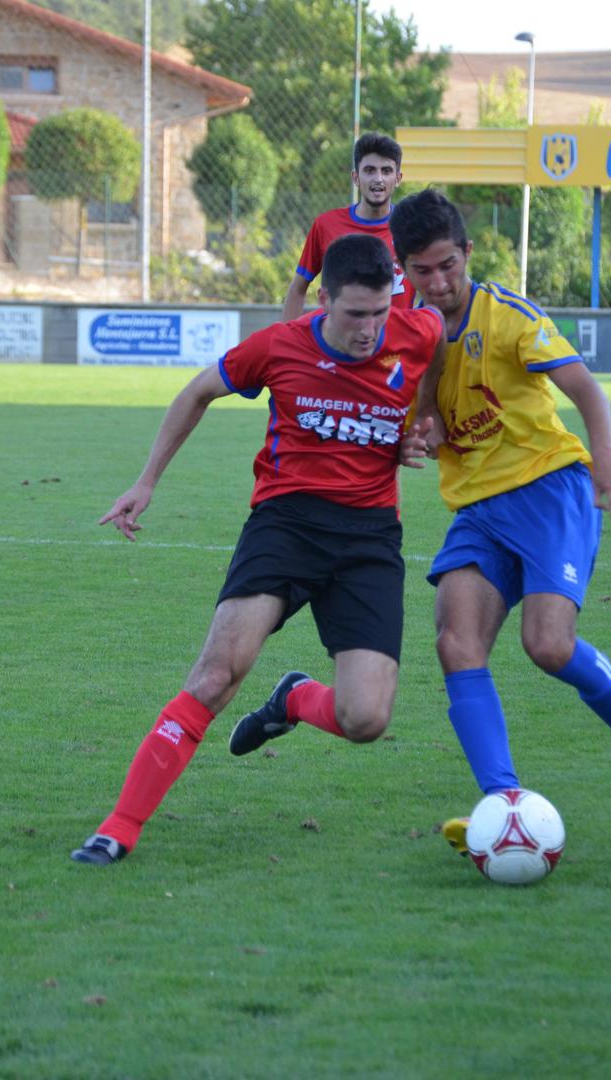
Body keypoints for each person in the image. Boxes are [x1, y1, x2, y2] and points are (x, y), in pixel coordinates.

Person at [70, 233, 445, 865]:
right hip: (286, 524)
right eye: (356, 314)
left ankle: (294, 698)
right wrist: (146, 481)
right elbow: (196, 392)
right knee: (215, 676)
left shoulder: (417, 331)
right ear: (323, 300)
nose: (369, 330)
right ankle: (119, 827)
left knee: (366, 719)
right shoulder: (278, 345)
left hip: (369, 537)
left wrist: (418, 427)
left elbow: (434, 364)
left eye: (380, 313)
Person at [385, 189, 611, 850]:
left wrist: (605, 454)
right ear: (404, 269)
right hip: (477, 509)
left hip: (549, 489)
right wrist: (417, 432)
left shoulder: (506, 316)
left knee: (549, 646)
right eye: (422, 270)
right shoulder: (405, 336)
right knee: (455, 643)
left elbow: (585, 387)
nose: (438, 282)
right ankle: (503, 804)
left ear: (468, 253)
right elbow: (419, 422)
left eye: (448, 265)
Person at [282, 133, 414, 322]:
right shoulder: (326, 225)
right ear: (356, 177)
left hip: (396, 341)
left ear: (398, 178)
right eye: (369, 170)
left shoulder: (411, 227)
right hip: (341, 340)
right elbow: (297, 289)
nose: (378, 179)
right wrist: (287, 337)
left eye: (386, 171)